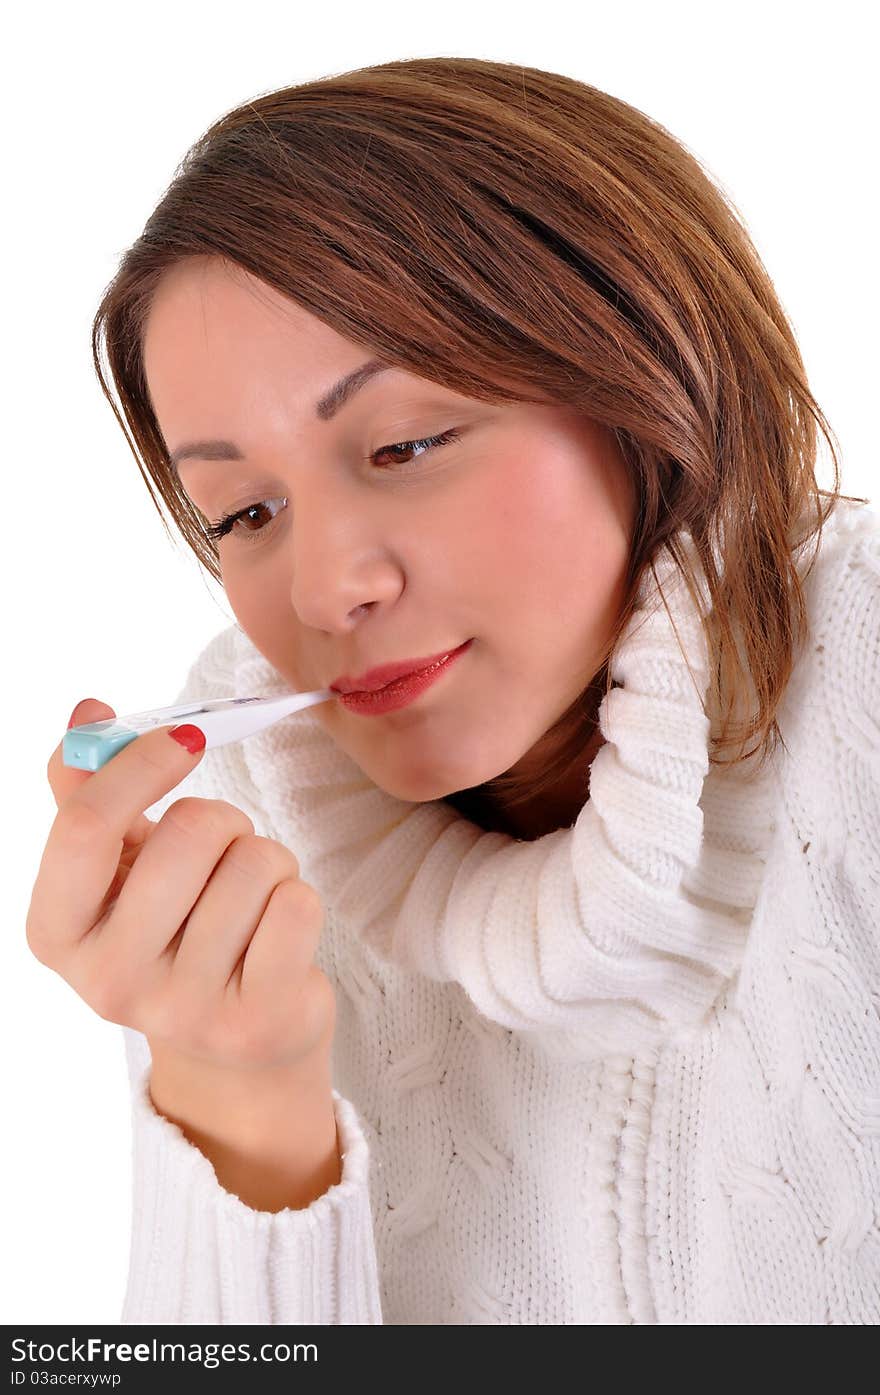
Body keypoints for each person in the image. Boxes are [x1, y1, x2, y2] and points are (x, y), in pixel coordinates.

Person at [30, 56, 879, 1324]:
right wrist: (236, 1104)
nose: (324, 591)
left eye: (404, 446)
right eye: (242, 512)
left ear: (647, 378)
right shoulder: (234, 826)